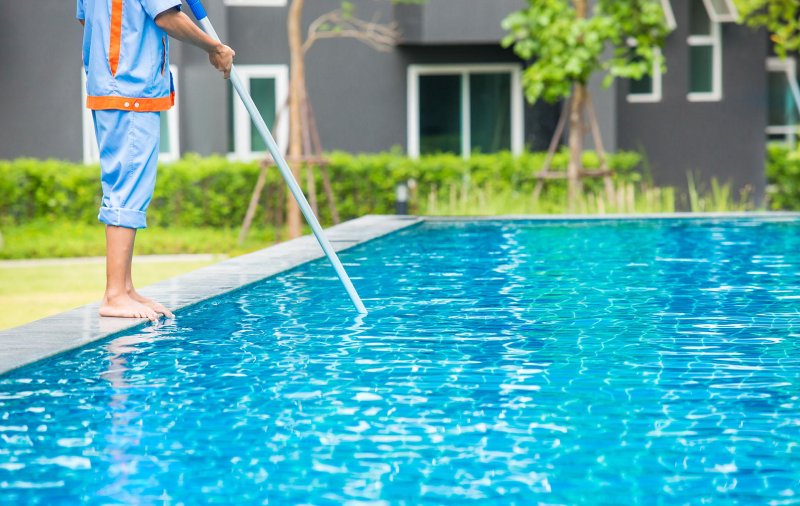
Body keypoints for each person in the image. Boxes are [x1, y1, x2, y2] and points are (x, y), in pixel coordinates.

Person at [77, 0, 235, 321]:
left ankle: (125, 287)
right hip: (132, 90)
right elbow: (166, 17)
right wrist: (214, 47)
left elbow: (87, 20)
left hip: (108, 86)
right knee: (129, 188)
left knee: (123, 183)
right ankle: (115, 295)